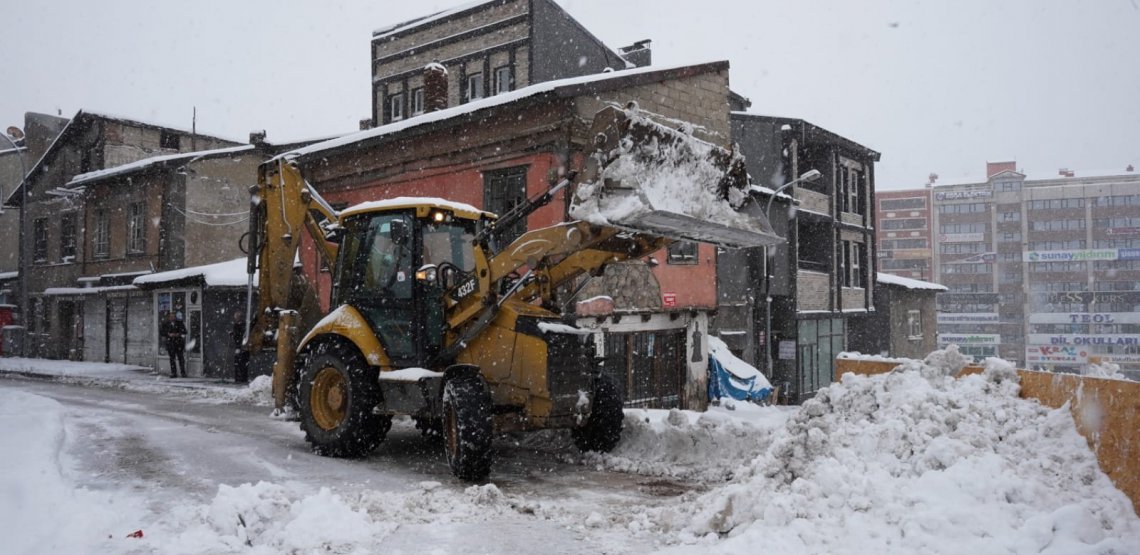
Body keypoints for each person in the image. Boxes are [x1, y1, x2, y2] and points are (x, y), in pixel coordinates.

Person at [160, 312, 188, 378]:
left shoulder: (180, 323)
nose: (172, 318)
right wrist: (168, 334)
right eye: (170, 317)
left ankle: (183, 372)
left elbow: (185, 331)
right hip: (170, 344)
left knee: (181, 358)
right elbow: (162, 332)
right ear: (169, 317)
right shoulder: (166, 324)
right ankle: (173, 373)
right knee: (172, 359)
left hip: (179, 344)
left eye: (173, 317)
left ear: (175, 317)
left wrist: (178, 334)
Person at [231, 311, 250, 384]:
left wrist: (234, 334)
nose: (236, 319)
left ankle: (240, 378)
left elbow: (238, 335)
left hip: (241, 346)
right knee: (241, 363)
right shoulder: (242, 325)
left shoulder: (240, 325)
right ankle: (241, 378)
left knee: (239, 362)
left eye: (237, 317)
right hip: (242, 346)